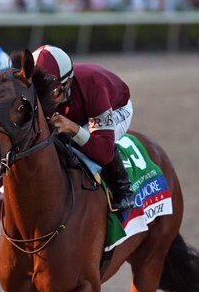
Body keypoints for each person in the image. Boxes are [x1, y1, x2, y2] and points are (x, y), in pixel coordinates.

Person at [32, 44, 134, 212]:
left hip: (116, 107)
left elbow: (104, 152)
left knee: (85, 138)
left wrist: (73, 128)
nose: (43, 100)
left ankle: (123, 190)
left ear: (66, 84)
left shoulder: (94, 85)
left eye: (48, 93)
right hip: (77, 109)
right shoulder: (53, 87)